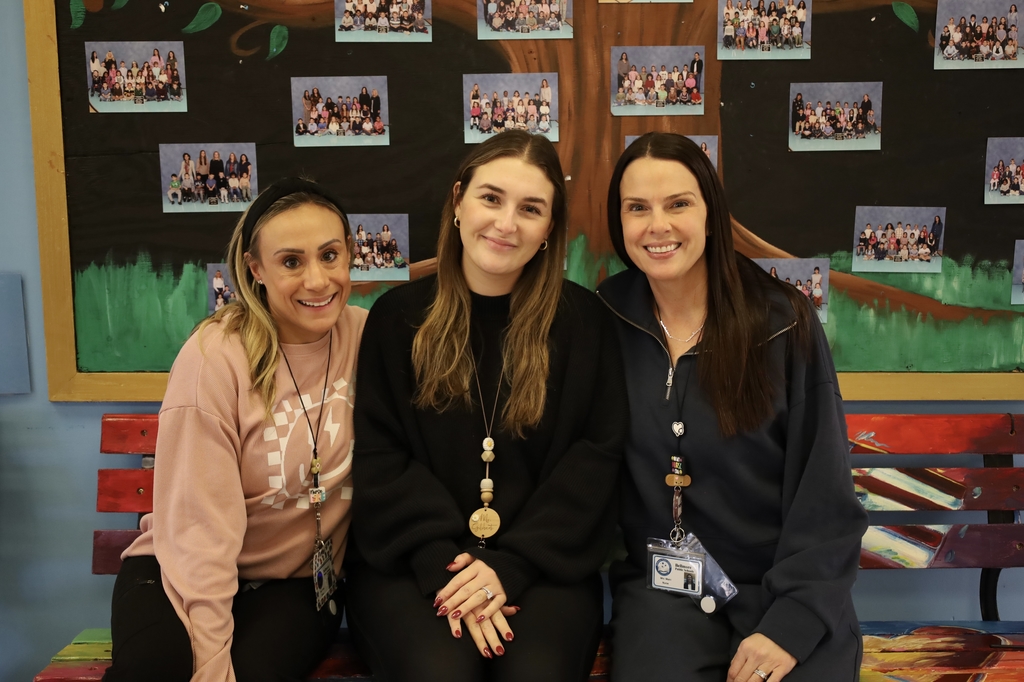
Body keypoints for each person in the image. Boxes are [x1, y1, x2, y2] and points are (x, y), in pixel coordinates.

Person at [347, 130, 627, 682]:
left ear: (550, 228)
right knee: (439, 672)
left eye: (531, 209)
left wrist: (509, 567)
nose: (506, 223)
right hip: (413, 562)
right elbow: (383, 460)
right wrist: (451, 571)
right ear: (458, 201)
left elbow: (594, 462)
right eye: (491, 198)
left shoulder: (584, 323)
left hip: (547, 566)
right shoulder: (397, 318)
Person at [597, 133, 867, 682]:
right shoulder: (605, 318)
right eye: (637, 208)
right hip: (663, 593)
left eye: (678, 204)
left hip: (782, 591)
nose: (658, 226)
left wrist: (791, 624)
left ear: (711, 214)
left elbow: (826, 497)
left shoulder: (782, 321)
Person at [102, 178, 367, 682]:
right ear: (255, 269)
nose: (317, 280)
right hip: (176, 569)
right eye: (291, 262)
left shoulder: (366, 338)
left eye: (330, 255)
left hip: (296, 584)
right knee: (157, 671)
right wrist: (209, 661)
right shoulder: (215, 356)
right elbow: (199, 531)